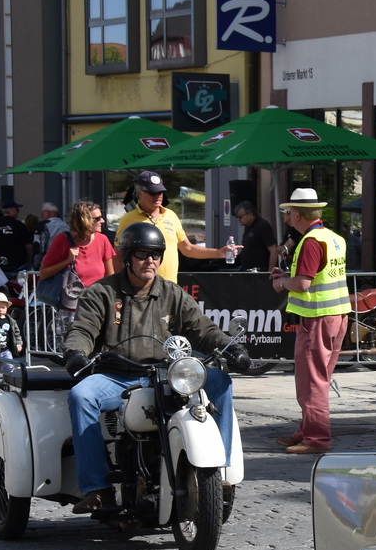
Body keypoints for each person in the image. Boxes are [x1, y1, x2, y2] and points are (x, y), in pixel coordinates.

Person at [62, 221, 250, 512]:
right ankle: (98, 488)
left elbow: (202, 328)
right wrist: (76, 352)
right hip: (115, 375)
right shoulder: (102, 293)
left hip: (165, 376)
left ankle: (219, 474)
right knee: (80, 395)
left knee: (220, 382)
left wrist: (230, 347)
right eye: (142, 254)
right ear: (127, 256)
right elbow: (83, 329)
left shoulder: (171, 293)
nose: (150, 260)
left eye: (156, 255)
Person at [266, 189, 349, 454]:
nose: (287, 218)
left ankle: (315, 439)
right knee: (317, 379)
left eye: (288, 213)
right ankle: (306, 431)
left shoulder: (310, 241)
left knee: (312, 382)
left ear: (298, 214)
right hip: (336, 316)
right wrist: (290, 274)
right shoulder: (333, 238)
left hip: (316, 319)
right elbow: (317, 275)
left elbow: (303, 283)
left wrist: (281, 283)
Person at [116, 172, 236, 282]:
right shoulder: (128, 219)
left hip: (169, 289)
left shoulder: (171, 215)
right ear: (140, 193)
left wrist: (219, 253)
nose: (158, 196)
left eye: (160, 192)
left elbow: (187, 249)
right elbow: (117, 255)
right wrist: (119, 284)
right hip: (139, 289)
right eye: (153, 192)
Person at [38, 200, 118, 346]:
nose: (102, 221)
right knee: (74, 353)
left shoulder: (103, 240)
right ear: (84, 220)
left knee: (99, 350)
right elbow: (43, 273)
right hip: (72, 310)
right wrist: (67, 260)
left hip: (97, 306)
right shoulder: (62, 240)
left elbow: (110, 277)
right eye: (97, 218)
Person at [0, 199, 35, 278]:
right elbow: (29, 246)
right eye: (17, 209)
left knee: (1, 288)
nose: (18, 211)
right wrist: (29, 260)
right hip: (18, 265)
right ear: (12, 210)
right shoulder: (20, 225)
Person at [234, 203, 278, 271]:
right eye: (237, 217)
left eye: (240, 216)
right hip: (248, 271)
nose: (238, 219)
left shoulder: (262, 226)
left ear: (250, 214)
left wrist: (269, 273)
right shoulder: (248, 227)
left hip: (260, 271)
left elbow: (273, 251)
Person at [34, 202, 70, 267]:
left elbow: (39, 245)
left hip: (49, 258)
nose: (41, 216)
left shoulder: (43, 225)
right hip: (65, 258)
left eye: (42, 213)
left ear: (48, 213)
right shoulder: (66, 225)